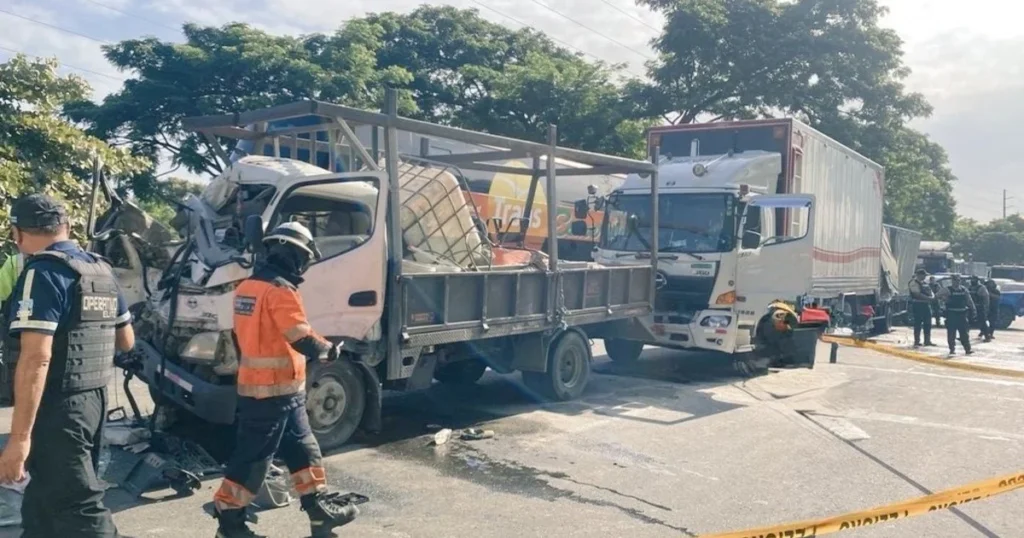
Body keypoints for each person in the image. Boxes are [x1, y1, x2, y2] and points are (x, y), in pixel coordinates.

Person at [0, 194, 135, 537]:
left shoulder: (43, 271)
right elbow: (126, 340)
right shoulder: (100, 269)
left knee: (81, 506)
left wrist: (19, 440)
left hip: (58, 405)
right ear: (67, 227)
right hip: (93, 400)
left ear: (16, 233)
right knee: (43, 504)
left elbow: (36, 357)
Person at [213, 222, 358, 538]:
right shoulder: (281, 291)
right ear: (295, 255)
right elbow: (299, 336)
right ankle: (229, 523)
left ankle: (319, 511)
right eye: (305, 256)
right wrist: (328, 351)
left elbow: (246, 338)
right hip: (271, 394)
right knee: (253, 460)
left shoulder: (247, 288)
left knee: (303, 449)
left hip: (278, 390)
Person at [944, 274, 976, 356]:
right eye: (955, 280)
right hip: (952, 314)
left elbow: (969, 300)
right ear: (952, 281)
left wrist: (973, 309)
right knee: (951, 333)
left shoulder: (963, 289)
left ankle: (967, 349)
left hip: (962, 314)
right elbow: (937, 297)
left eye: (958, 280)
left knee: (964, 333)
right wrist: (944, 301)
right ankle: (952, 349)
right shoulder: (947, 290)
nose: (957, 282)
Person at [908, 269, 935, 347]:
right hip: (918, 305)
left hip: (926, 305)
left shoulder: (925, 283)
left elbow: (931, 292)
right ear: (919, 275)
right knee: (918, 324)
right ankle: (917, 341)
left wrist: (932, 297)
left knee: (928, 324)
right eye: (924, 275)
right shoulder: (913, 283)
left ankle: (927, 341)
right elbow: (917, 294)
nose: (925, 276)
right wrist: (928, 298)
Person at [969, 276, 990, 342]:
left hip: (980, 307)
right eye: (972, 279)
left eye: (974, 279)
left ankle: (987, 336)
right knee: (967, 322)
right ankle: (963, 336)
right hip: (971, 307)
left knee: (982, 322)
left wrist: (986, 307)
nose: (972, 281)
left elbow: (986, 298)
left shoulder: (981, 288)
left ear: (977, 280)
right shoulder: (970, 287)